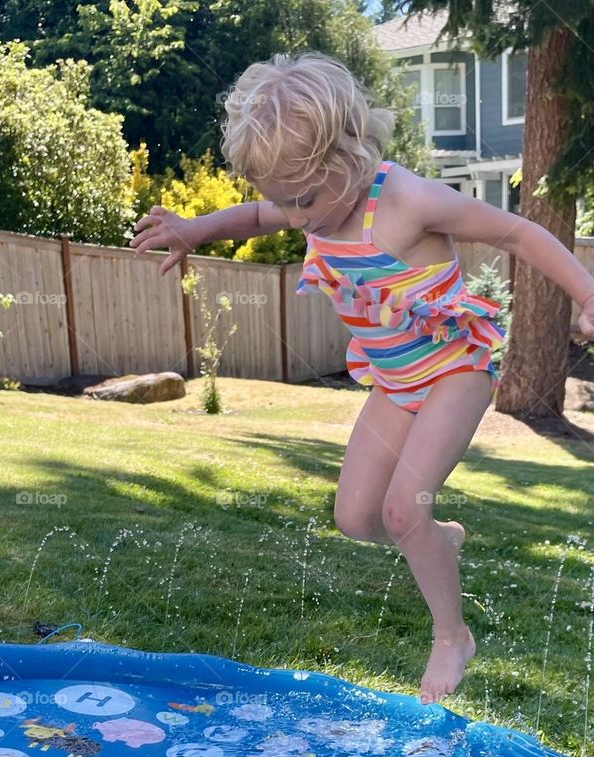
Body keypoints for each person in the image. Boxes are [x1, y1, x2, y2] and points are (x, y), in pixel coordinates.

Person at [130, 51, 594, 705]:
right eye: (283, 200)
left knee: (403, 509)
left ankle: (450, 634)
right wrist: (197, 229)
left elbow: (516, 232)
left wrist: (584, 289)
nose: (295, 218)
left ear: (348, 155)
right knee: (355, 517)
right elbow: (256, 216)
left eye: (306, 198)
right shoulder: (304, 205)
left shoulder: (405, 201)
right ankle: (434, 539)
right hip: (396, 384)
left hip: (455, 368)